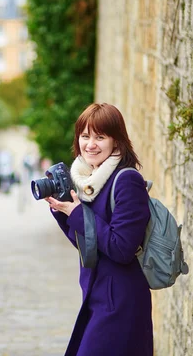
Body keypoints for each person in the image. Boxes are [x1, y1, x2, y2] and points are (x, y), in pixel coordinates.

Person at [43, 103, 153, 356]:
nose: (90, 144)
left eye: (100, 137)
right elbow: (88, 246)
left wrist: (77, 214)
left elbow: (122, 248)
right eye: (85, 136)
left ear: (116, 141)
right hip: (96, 295)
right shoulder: (90, 183)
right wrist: (63, 211)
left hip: (121, 301)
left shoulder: (127, 181)